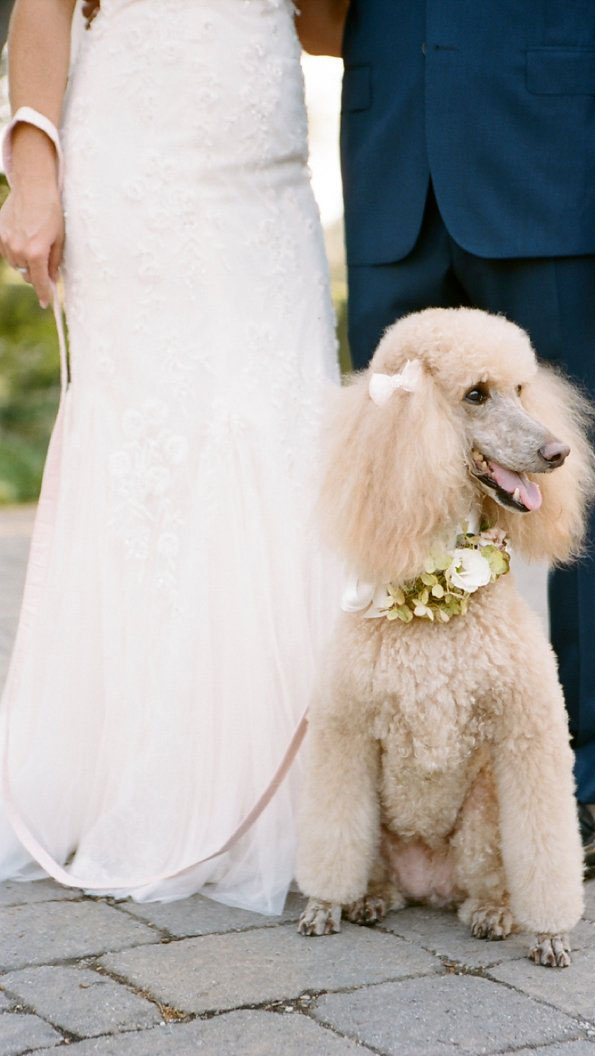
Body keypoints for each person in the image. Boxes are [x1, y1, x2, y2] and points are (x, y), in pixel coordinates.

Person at [309, 1, 595, 875]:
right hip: (393, 162)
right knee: (392, 494)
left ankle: (577, 786)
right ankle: (414, 783)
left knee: (579, 495)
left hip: (559, 164)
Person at [0, 0, 340, 912]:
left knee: (287, 431)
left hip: (265, 178)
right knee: (151, 451)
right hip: (136, 160)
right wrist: (32, 165)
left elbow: (328, 26)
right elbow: (41, 10)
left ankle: (312, 789)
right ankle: (143, 772)